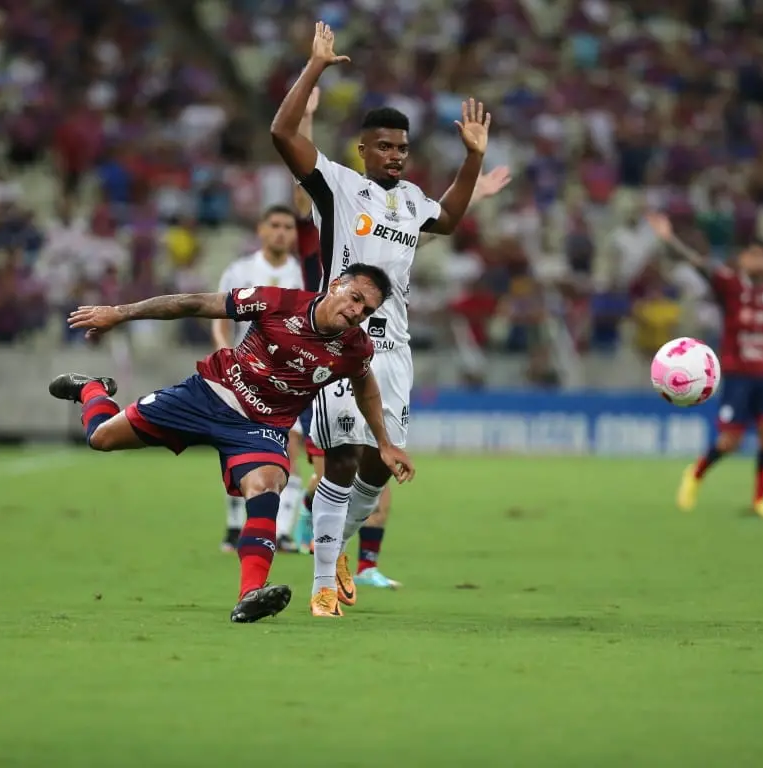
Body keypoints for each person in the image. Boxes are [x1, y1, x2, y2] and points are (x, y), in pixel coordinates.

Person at [51, 263, 415, 623]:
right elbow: (194, 303)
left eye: (366, 310)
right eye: (355, 298)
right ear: (335, 285)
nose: (356, 312)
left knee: (267, 485)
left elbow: (366, 388)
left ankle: (250, 595)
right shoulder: (277, 302)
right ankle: (92, 390)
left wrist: (384, 443)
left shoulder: (355, 348)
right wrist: (120, 313)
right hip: (209, 394)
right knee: (101, 438)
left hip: (260, 427)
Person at [270, 21, 489, 615]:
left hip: (394, 352)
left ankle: (335, 547)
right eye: (385, 147)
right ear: (363, 149)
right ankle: (322, 586)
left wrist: (472, 159)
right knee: (341, 459)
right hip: (338, 346)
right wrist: (315, 66)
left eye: (402, 148)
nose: (395, 156)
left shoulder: (413, 200)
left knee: (378, 470)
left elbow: (449, 220)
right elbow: (282, 132)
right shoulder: (337, 187)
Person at [647, 212, 763, 518]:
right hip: (737, 375)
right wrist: (669, 238)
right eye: (753, 255)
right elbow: (698, 262)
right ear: (743, 258)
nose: (759, 260)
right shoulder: (730, 284)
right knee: (730, 441)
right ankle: (695, 473)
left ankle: (760, 500)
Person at [212, 205, 307, 554]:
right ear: (261, 229)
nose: (281, 232)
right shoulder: (240, 271)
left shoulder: (304, 275)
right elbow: (220, 318)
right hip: (244, 374)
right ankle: (234, 526)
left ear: (295, 234)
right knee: (238, 448)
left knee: (290, 447)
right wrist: (225, 355)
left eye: (288, 226)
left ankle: (281, 531)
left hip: (289, 378)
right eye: (275, 225)